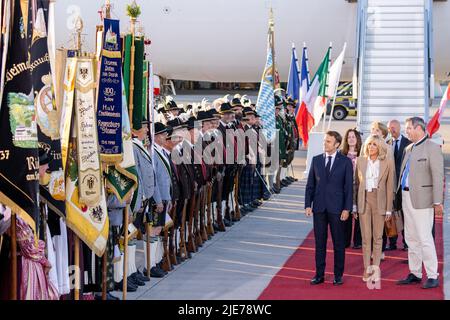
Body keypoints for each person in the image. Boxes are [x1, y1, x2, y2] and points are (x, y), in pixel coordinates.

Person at [396, 117, 444, 289]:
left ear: (418, 128)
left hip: (423, 200)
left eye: (408, 128)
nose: (406, 131)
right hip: (406, 197)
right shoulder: (409, 148)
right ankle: (415, 272)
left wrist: (438, 201)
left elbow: (438, 176)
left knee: (424, 238)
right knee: (410, 237)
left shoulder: (432, 147)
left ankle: (432, 275)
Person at [305, 131, 353, 286]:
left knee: (338, 243)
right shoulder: (316, 160)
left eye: (328, 141)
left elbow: (348, 189)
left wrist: (347, 209)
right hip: (319, 208)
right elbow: (310, 185)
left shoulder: (345, 162)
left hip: (337, 209)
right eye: (325, 141)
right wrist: (308, 205)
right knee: (320, 243)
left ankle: (338, 275)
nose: (325, 144)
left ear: (337, 144)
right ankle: (319, 274)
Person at [354, 134, 395, 282]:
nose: (371, 147)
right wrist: (354, 206)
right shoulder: (360, 161)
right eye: (369, 144)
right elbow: (356, 185)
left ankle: (376, 269)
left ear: (380, 147)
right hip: (364, 200)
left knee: (378, 237)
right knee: (366, 238)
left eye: (374, 145)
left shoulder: (388, 162)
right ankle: (366, 269)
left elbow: (390, 187)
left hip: (380, 202)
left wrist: (389, 209)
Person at [386, 119, 412, 251]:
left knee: (405, 215)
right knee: (391, 215)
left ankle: (407, 243)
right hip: (391, 186)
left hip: (403, 186)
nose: (392, 130)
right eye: (390, 128)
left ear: (399, 128)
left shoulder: (408, 144)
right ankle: (392, 243)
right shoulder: (387, 144)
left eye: (394, 127)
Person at [341, 128, 363, 249]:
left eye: (353, 137)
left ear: (357, 139)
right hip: (346, 187)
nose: (351, 139)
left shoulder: (363, 153)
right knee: (347, 213)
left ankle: (358, 241)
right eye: (349, 137)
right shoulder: (342, 154)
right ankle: (345, 240)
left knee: (359, 213)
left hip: (359, 187)